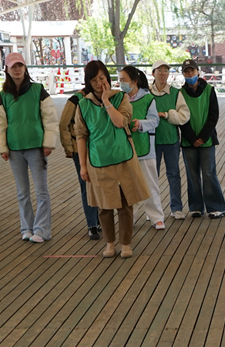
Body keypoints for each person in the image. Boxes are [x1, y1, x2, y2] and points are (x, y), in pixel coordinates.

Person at [75, 60, 151, 258]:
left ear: (107, 78)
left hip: (123, 158)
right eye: (94, 80)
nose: (100, 83)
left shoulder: (120, 98)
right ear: (88, 83)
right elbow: (81, 135)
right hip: (98, 160)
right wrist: (83, 166)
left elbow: (120, 122)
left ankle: (126, 243)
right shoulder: (83, 104)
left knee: (126, 204)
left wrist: (107, 101)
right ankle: (110, 244)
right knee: (104, 206)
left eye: (102, 78)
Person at [0, 52, 58, 242]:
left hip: (36, 148)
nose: (17, 69)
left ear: (25, 67)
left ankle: (42, 230)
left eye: (20, 65)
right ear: (7, 69)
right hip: (14, 149)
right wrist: (2, 147)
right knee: (22, 192)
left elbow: (50, 118)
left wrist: (48, 143)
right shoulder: (3, 96)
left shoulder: (38, 90)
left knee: (41, 191)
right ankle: (27, 227)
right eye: (13, 66)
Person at [179, 59, 225, 218]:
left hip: (207, 140)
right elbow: (181, 117)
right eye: (186, 71)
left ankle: (216, 207)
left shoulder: (209, 90)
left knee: (208, 173)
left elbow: (213, 115)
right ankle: (195, 207)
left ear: (198, 72)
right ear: (183, 74)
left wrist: (202, 137)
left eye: (192, 71)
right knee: (192, 175)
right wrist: (192, 137)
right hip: (188, 141)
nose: (190, 74)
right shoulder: (180, 93)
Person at [119, 65, 166, 230]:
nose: (121, 83)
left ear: (134, 81)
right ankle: (129, 217)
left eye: (124, 80)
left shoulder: (148, 98)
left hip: (145, 147)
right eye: (120, 80)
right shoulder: (119, 98)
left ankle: (156, 217)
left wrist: (141, 124)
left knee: (150, 183)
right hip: (125, 149)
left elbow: (155, 121)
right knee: (127, 185)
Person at [149, 61, 191, 219]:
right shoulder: (146, 93)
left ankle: (176, 208)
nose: (163, 74)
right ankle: (153, 210)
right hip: (151, 142)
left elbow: (184, 115)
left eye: (166, 71)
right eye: (159, 71)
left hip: (171, 140)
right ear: (153, 73)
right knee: (152, 176)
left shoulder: (175, 93)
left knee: (174, 174)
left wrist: (167, 115)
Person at [60, 82, 101, 238]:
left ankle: (99, 220)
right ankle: (92, 224)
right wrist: (68, 148)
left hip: (100, 148)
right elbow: (63, 124)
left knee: (100, 184)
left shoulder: (104, 98)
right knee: (86, 185)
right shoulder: (75, 100)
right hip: (80, 149)